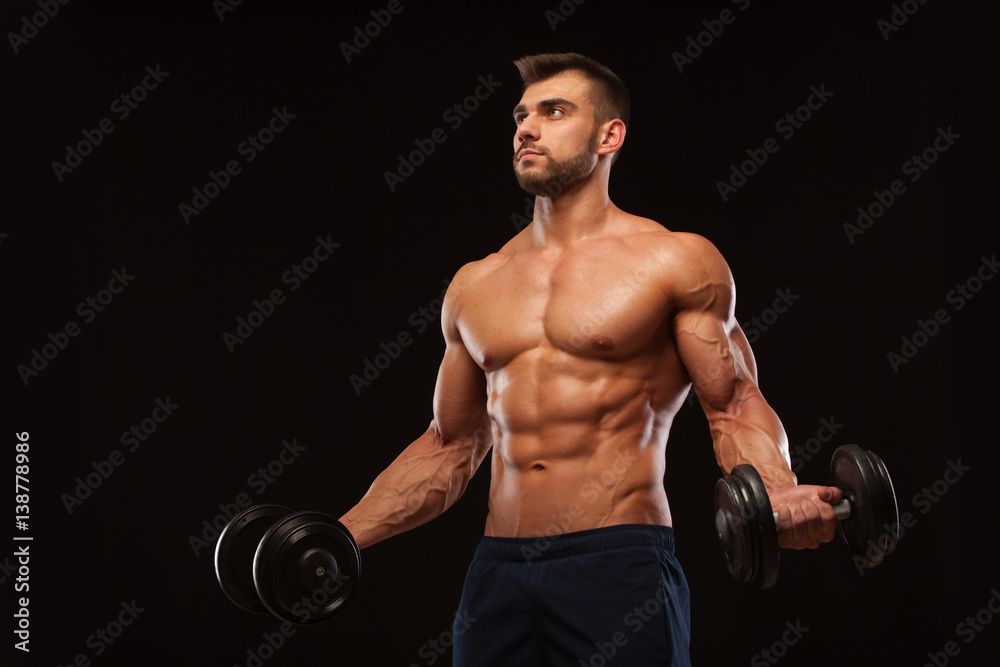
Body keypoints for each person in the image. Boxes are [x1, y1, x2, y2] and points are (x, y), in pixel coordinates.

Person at [338, 53, 843, 666]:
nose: (526, 127)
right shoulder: (474, 284)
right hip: (497, 574)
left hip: (618, 563)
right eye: (521, 115)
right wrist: (340, 537)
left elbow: (734, 404)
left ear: (610, 135)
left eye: (554, 112)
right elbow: (448, 446)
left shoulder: (674, 260)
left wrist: (777, 490)